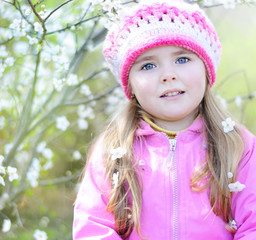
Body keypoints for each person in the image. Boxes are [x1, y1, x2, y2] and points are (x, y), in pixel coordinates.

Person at [73, 0, 256, 239]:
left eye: (182, 59)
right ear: (131, 85)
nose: (168, 75)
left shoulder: (238, 146)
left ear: (206, 70)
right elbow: (93, 227)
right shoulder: (113, 150)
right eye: (148, 65)